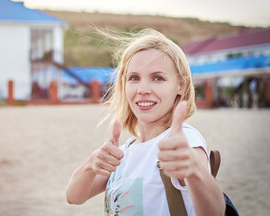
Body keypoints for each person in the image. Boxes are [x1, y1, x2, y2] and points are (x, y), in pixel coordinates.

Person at [66, 29, 225, 216]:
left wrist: (193, 171)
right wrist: (93, 162)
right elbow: (74, 197)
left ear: (181, 85)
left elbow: (214, 211)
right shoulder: (124, 152)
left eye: (158, 78)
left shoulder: (183, 142)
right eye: (134, 78)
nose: (142, 89)